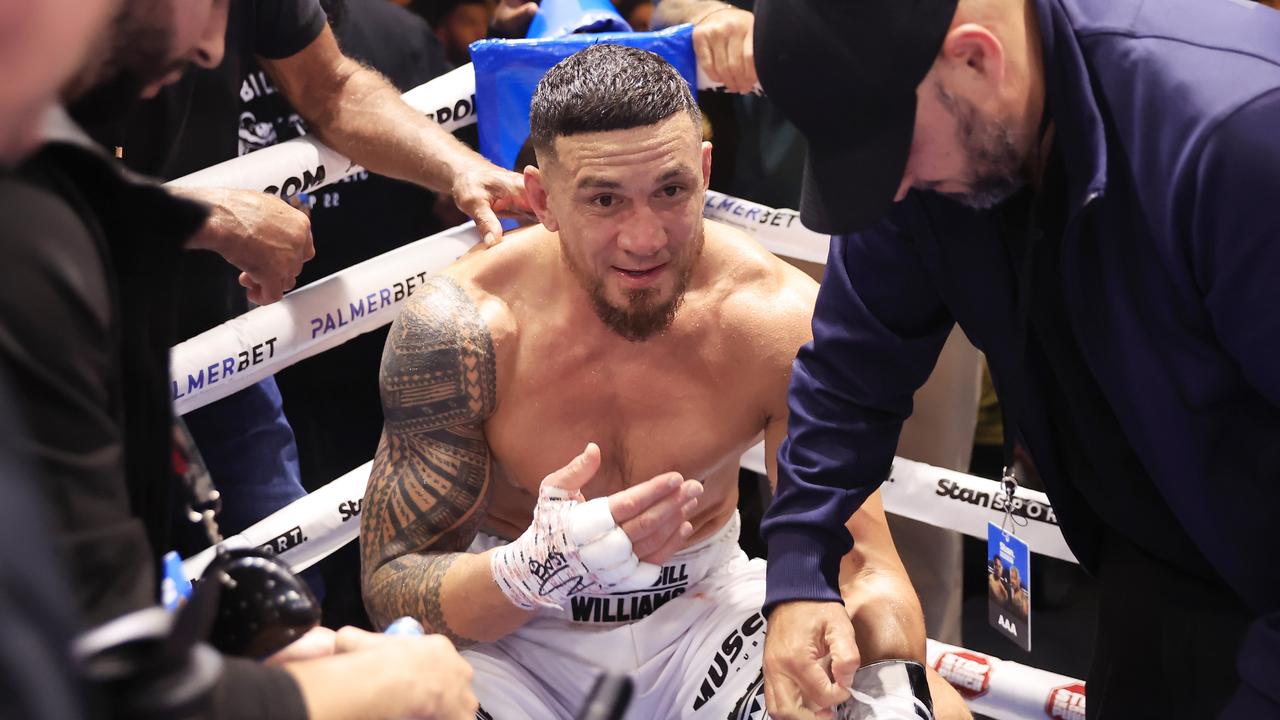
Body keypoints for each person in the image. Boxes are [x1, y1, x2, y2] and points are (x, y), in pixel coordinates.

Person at [359, 44, 968, 719]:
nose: (644, 238)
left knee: (923, 707)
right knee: (396, 705)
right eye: (605, 200)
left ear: (705, 173)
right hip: (518, 640)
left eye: (671, 191)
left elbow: (867, 566)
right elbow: (392, 582)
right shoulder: (465, 332)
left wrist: (883, 683)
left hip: (706, 618)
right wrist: (529, 570)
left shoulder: (772, 320)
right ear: (543, 199)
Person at [752, 0, 1280, 717]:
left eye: (894, 151)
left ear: (977, 59)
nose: (894, 187)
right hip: (1153, 553)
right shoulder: (925, 123)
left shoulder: (1240, 137)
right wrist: (798, 570)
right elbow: (850, 367)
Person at [73, 0, 530, 579]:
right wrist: (202, 213)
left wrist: (458, 168)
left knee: (284, 587)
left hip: (212, 328)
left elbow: (331, 88)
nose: (215, 51)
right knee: (99, 609)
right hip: (61, 347)